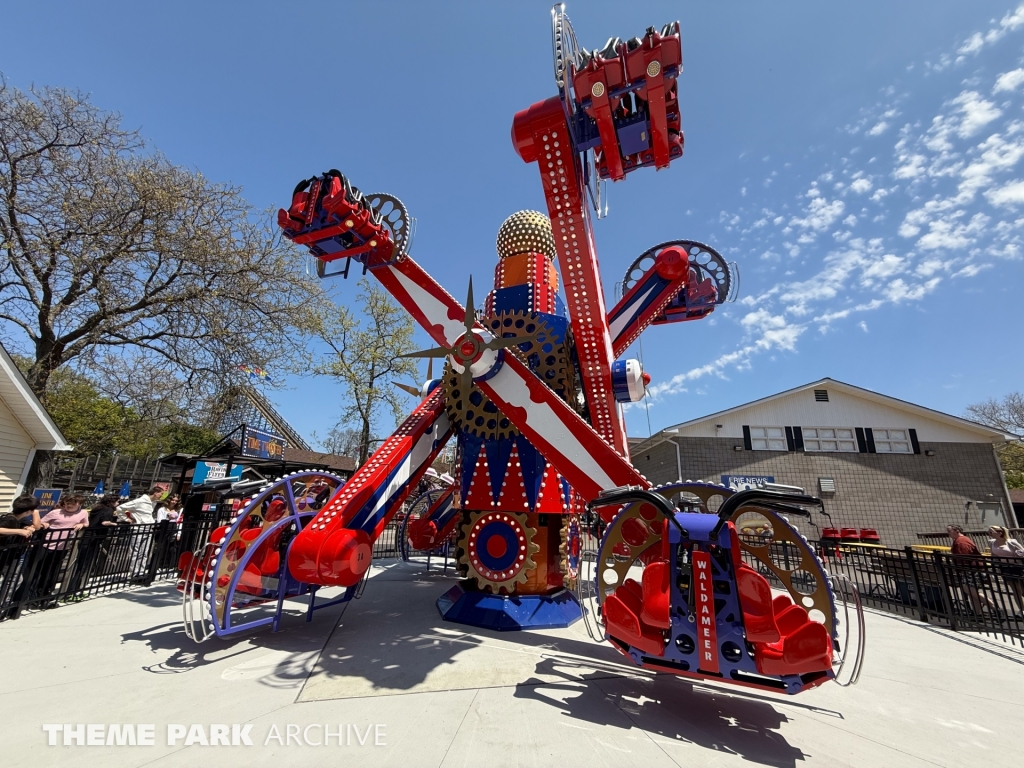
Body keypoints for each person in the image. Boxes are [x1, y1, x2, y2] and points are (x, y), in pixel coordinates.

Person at [32, 495, 89, 606]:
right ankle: (34, 595)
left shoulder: (83, 513)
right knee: (40, 569)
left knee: (53, 570)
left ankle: (45, 595)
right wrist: (45, 524)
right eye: (67, 504)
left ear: (79, 504)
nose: (68, 506)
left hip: (63, 546)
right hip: (47, 543)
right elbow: (41, 522)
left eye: (72, 505)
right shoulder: (56, 512)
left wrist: (81, 524)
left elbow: (86, 523)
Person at [65, 494, 120, 597]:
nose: (118, 503)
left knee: (80, 564)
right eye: (117, 501)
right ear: (112, 502)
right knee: (84, 566)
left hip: (86, 536)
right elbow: (104, 522)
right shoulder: (108, 510)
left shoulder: (97, 508)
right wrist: (115, 524)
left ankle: (75, 588)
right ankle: (72, 590)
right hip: (93, 539)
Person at [947, 524, 995, 616]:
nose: (948, 533)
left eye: (949, 531)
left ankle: (993, 606)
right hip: (970, 568)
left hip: (971, 569)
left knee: (969, 589)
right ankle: (977, 613)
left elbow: (964, 556)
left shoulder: (961, 541)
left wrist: (959, 566)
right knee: (971, 591)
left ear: (957, 531)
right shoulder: (958, 540)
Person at [116, 486, 161, 579]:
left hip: (148, 528)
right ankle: (134, 573)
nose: (161, 496)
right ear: (155, 493)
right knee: (135, 551)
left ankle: (140, 572)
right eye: (161, 493)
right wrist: (126, 519)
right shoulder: (140, 501)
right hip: (138, 528)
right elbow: (120, 508)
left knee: (144, 552)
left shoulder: (153, 503)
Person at [988, 525, 1024, 614]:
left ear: (1000, 532)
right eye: (988, 532)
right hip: (1005, 568)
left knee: (1022, 589)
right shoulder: (992, 542)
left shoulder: (1011, 542)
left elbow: (1022, 552)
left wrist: (1017, 554)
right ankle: (1022, 609)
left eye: (991, 532)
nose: (989, 534)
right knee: (1015, 590)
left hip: (1017, 567)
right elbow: (993, 555)